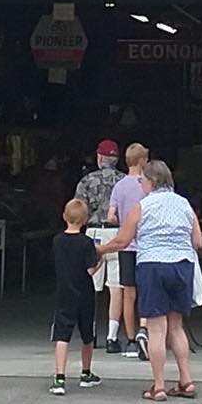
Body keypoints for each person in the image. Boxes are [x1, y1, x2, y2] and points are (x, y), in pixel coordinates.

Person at [94, 160, 202, 402]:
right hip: (182, 266)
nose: (141, 184)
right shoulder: (184, 204)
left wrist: (100, 250)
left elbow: (122, 241)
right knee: (176, 326)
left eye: (142, 180)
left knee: (156, 329)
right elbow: (197, 242)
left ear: (152, 181)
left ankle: (159, 385)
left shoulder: (142, 207)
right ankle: (186, 380)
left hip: (153, 266)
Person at [72, 140, 131, 352]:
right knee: (116, 288)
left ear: (99, 158)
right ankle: (112, 337)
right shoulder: (126, 181)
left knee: (90, 284)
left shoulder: (87, 180)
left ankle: (91, 333)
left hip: (94, 233)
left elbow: (78, 209)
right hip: (118, 234)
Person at [48, 198, 104, 396]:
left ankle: (59, 377)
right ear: (85, 220)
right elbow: (89, 270)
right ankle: (86, 372)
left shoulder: (57, 241)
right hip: (85, 293)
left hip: (64, 292)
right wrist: (100, 260)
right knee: (87, 335)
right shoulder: (86, 242)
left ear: (64, 216)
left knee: (62, 335)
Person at [106, 142, 150, 359]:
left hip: (125, 245)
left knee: (128, 295)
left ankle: (131, 340)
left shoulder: (119, 186)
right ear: (142, 161)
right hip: (145, 246)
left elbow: (110, 216)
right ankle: (144, 332)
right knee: (146, 292)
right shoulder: (147, 185)